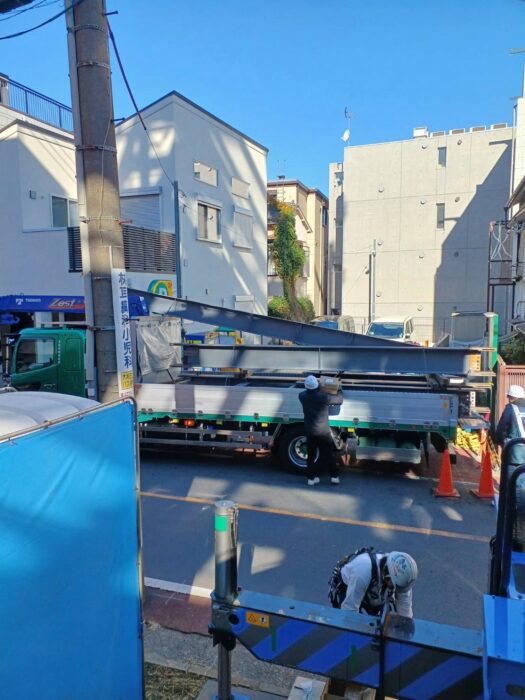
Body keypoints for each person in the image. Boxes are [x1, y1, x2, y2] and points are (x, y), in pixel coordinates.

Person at [329, 548, 418, 618]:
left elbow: (405, 608)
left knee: (381, 624)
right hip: (349, 589)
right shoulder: (362, 572)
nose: (397, 590)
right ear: (386, 574)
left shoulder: (402, 578)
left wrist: (405, 629)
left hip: (373, 590)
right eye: (395, 586)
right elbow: (349, 611)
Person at [298, 375, 343, 486]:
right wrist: (339, 390)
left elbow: (307, 392)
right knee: (328, 455)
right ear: (317, 386)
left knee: (311, 456)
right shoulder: (323, 397)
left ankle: (311, 479)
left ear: (306, 386)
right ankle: (334, 477)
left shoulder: (302, 396)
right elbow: (339, 400)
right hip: (323, 432)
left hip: (310, 432)